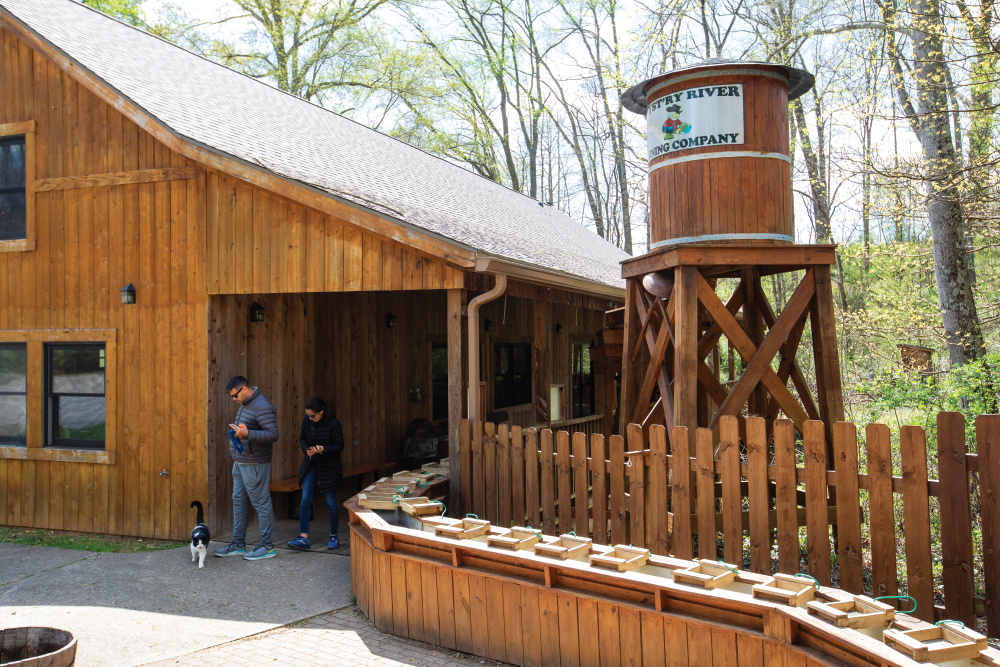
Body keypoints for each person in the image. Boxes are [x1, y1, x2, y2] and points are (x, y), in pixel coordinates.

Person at [215, 375, 280, 561]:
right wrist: (241, 435)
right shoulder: (246, 403)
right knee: (239, 501)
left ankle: (268, 547)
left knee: (261, 503)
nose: (234, 400)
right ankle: (238, 544)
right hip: (241, 462)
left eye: (234, 396)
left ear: (244, 389)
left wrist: (248, 433)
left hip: (255, 464)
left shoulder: (263, 406)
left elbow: (273, 434)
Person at [287, 397, 344, 551]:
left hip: (329, 466)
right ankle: (303, 537)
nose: (310, 419)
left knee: (331, 501)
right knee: (305, 498)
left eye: (313, 416)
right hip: (311, 463)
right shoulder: (307, 421)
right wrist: (307, 450)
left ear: (322, 412)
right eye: (308, 416)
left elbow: (339, 445)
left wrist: (323, 449)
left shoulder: (333, 423)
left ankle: (334, 536)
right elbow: (302, 438)